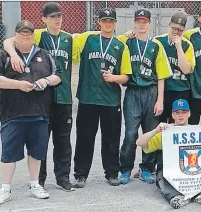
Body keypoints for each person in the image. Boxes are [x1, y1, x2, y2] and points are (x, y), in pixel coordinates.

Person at [3, 2, 79, 191]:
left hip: (64, 98)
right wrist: (13, 54)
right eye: (53, 16)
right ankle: (40, 179)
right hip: (42, 98)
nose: (57, 19)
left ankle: (63, 177)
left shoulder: (69, 39)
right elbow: (9, 41)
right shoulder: (37, 35)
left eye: (59, 16)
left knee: (63, 140)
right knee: (41, 140)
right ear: (44, 19)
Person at [0, 20, 62, 205]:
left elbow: (57, 75)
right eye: (21, 32)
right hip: (12, 113)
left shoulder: (44, 54)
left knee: (37, 152)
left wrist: (45, 81)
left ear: (33, 35)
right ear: (15, 35)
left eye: (28, 32)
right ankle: (5, 188)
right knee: (8, 153)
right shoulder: (5, 55)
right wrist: (18, 85)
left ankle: (35, 184)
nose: (25, 35)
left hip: (39, 112)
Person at [72, 8, 132, 188]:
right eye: (104, 20)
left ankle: (112, 173)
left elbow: (126, 76)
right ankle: (80, 174)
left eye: (111, 21)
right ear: (98, 22)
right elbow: (70, 38)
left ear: (115, 23)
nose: (108, 24)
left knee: (111, 138)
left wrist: (114, 78)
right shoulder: (87, 39)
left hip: (110, 99)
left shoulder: (121, 46)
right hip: (88, 97)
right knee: (84, 137)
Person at [117, 9, 172, 184]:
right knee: (131, 133)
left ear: (149, 23)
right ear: (134, 23)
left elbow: (161, 76)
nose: (142, 24)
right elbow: (111, 42)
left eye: (145, 22)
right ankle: (125, 168)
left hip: (151, 90)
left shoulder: (156, 46)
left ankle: (147, 168)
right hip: (133, 91)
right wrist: (124, 34)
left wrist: (160, 100)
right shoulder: (127, 42)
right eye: (139, 21)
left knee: (149, 133)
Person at [136, 99, 201, 209]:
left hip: (191, 170)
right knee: (162, 177)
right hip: (170, 169)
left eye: (184, 112)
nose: (180, 115)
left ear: (189, 114)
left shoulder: (197, 130)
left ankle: (200, 194)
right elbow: (140, 143)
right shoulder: (166, 132)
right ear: (172, 114)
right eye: (177, 113)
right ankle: (175, 197)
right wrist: (156, 130)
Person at [155, 12, 195, 123]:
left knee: (178, 126)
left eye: (180, 30)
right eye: (174, 28)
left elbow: (186, 70)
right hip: (163, 90)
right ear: (169, 25)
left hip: (181, 89)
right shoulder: (158, 41)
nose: (176, 32)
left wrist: (179, 47)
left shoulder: (187, 45)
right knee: (161, 125)